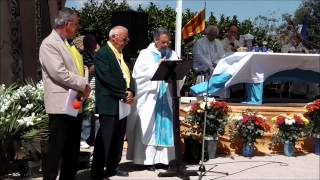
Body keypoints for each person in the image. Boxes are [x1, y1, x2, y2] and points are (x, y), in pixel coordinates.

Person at [39, 8, 91, 180]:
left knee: (72, 150)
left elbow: (74, 68)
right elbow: (59, 72)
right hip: (60, 105)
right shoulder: (50, 43)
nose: (77, 28)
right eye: (75, 24)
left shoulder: (67, 43)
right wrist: (83, 84)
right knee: (56, 150)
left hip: (73, 102)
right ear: (68, 24)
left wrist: (83, 84)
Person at [126, 27, 184, 166]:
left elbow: (179, 73)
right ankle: (145, 160)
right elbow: (139, 74)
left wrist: (177, 72)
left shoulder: (172, 53)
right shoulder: (145, 54)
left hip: (167, 96)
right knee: (148, 126)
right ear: (155, 40)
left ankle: (164, 160)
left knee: (167, 126)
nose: (166, 45)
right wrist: (157, 68)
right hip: (150, 98)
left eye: (168, 42)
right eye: (163, 42)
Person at [90, 26, 135, 180]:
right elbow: (107, 78)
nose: (126, 42)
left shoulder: (121, 54)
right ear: (113, 37)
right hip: (109, 102)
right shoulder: (103, 54)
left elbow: (129, 75)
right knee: (105, 139)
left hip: (122, 102)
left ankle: (112, 167)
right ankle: (96, 171)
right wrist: (123, 94)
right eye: (124, 39)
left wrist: (131, 91)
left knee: (118, 138)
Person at [80, 34, 98, 149]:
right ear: (87, 43)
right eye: (93, 42)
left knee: (95, 116)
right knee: (86, 114)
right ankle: (83, 138)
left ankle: (93, 138)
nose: (95, 44)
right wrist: (99, 61)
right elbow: (90, 70)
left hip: (96, 88)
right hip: (88, 88)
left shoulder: (94, 54)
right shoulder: (84, 55)